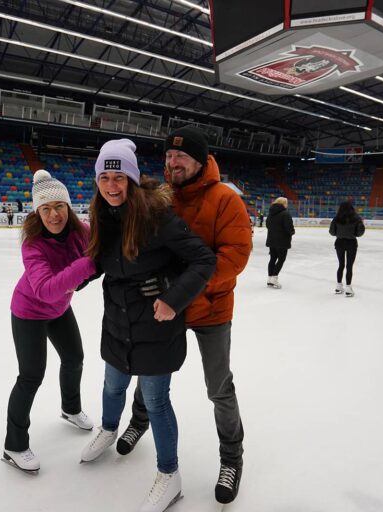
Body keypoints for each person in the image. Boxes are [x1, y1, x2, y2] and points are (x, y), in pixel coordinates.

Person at [79, 138, 216, 512]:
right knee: (112, 385)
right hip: (117, 322)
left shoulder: (159, 219)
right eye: (104, 177)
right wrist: (67, 282)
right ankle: (108, 430)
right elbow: (98, 264)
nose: (111, 185)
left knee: (155, 401)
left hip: (156, 327)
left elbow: (203, 261)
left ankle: (169, 474)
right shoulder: (102, 218)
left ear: (133, 180)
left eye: (118, 176)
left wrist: (173, 299)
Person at [120, 126, 253, 505]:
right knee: (149, 372)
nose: (172, 162)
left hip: (211, 308)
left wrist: (182, 289)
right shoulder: (160, 198)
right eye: (167, 156)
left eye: (180, 157)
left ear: (199, 161)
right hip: (168, 308)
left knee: (218, 387)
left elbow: (234, 257)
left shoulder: (226, 200)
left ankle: (232, 458)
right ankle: (138, 422)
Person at [3, 170, 97, 474]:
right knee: (31, 376)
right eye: (45, 208)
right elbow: (44, 289)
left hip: (58, 309)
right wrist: (87, 266)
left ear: (68, 208)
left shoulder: (81, 231)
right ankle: (14, 445)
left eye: (59, 206)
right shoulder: (32, 244)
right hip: (29, 310)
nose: (53, 214)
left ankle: (70, 409)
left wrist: (86, 274)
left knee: (74, 358)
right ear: (37, 212)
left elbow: (100, 250)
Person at [329, 200, 365, 297]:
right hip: (351, 243)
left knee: (341, 265)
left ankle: (338, 286)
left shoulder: (336, 218)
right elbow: (360, 233)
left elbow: (332, 232)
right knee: (349, 266)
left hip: (339, 242)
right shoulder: (356, 218)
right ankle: (348, 288)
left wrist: (340, 233)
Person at [265, 196, 295, 289]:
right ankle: (274, 278)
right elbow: (289, 228)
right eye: (286, 203)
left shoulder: (270, 213)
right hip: (282, 241)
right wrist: (292, 232)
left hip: (272, 239)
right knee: (281, 259)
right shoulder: (285, 214)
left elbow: (267, 225)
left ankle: (270, 279)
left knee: (273, 258)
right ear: (283, 204)